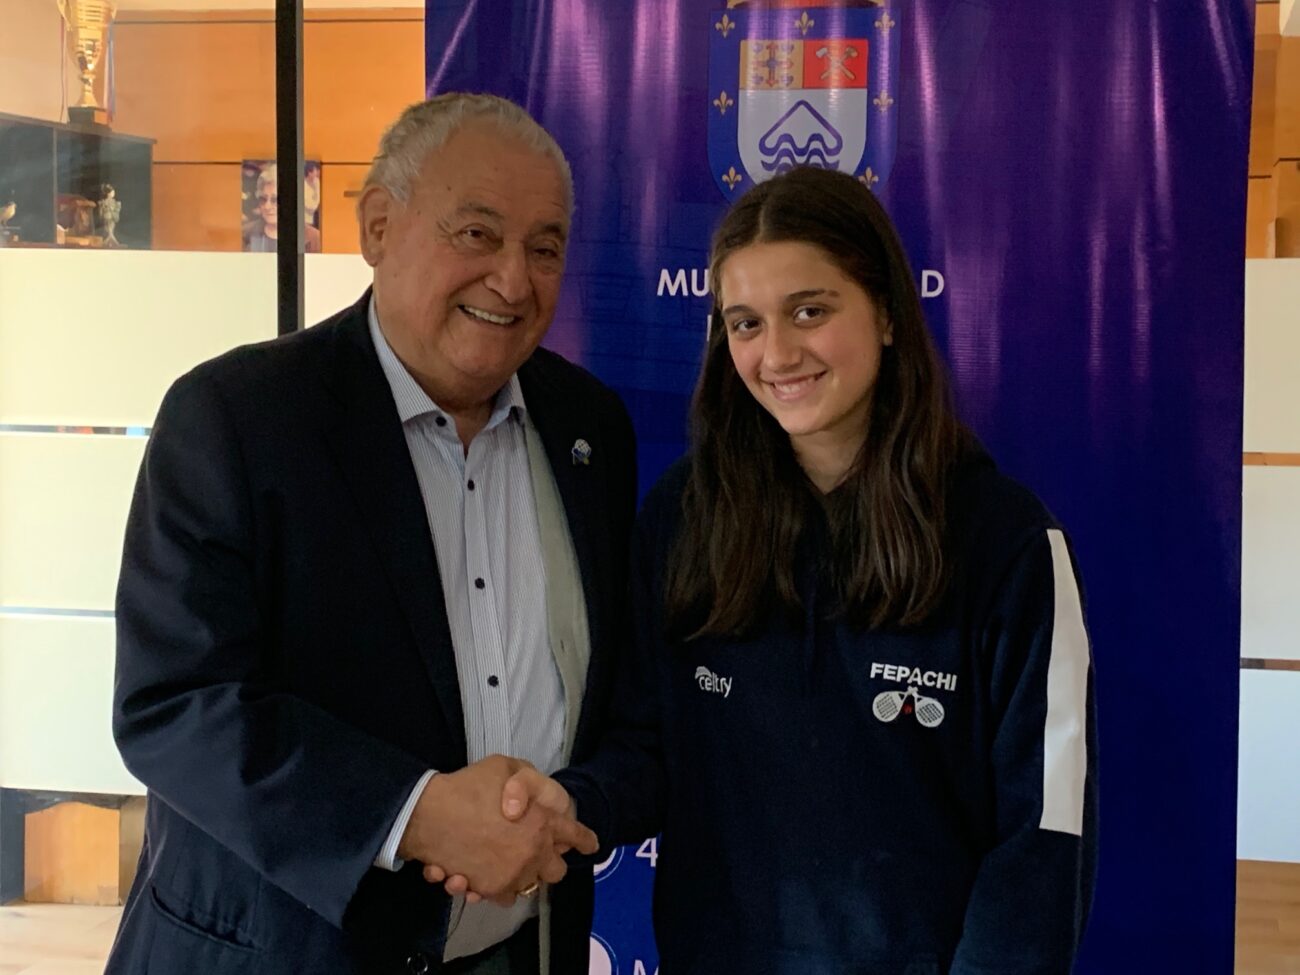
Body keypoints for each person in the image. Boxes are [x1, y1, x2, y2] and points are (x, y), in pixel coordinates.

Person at [445, 165, 1099, 973]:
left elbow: (1043, 837)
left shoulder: (1009, 543)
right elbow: (646, 747)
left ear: (887, 313)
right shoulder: (685, 517)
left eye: (810, 311)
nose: (778, 353)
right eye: (746, 323)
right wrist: (570, 801)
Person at [107, 92, 638, 975]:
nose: (514, 280)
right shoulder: (236, 418)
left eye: (544, 248)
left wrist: (565, 804)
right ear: (380, 226)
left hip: (519, 950)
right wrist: (414, 813)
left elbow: (620, 699)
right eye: (477, 233)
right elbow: (175, 704)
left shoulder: (590, 428)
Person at [243, 162, 322, 253]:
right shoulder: (245, 233)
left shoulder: (314, 237)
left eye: (275, 199)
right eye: (263, 199)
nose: (267, 206)